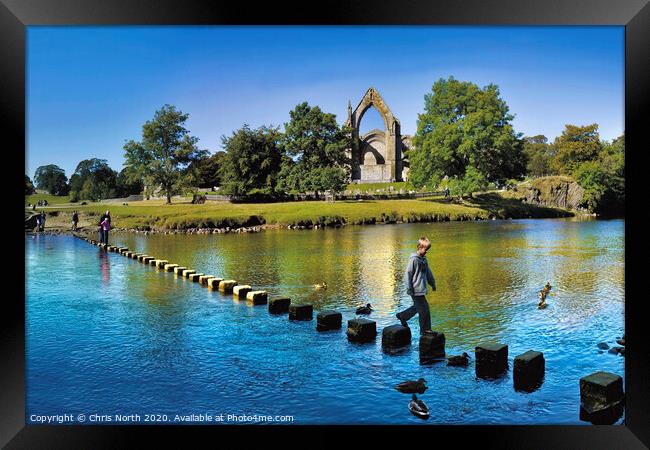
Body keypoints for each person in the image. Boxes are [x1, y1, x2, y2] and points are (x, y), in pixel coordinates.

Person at [396, 237, 436, 335]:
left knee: (418, 308)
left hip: (421, 289)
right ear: (419, 247)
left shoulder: (424, 260)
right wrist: (409, 288)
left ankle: (403, 316)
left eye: (427, 250)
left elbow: (428, 273)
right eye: (425, 250)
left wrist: (432, 283)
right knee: (424, 309)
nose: (426, 252)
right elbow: (408, 274)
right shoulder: (414, 260)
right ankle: (425, 330)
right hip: (414, 289)